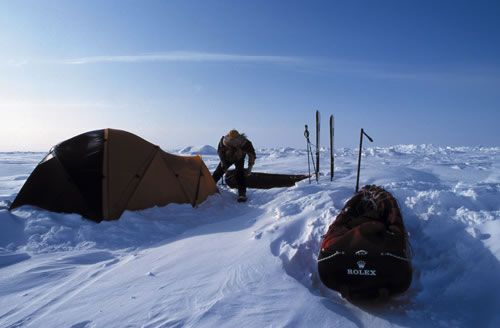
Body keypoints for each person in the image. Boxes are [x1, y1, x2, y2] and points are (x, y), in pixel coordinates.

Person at [212, 129, 256, 202]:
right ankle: (209, 186)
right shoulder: (224, 140)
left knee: (240, 173)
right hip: (227, 157)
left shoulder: (245, 143)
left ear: (238, 138)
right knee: (219, 171)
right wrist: (223, 163)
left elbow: (252, 155)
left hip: (239, 157)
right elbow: (220, 151)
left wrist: (249, 168)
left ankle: (242, 194)